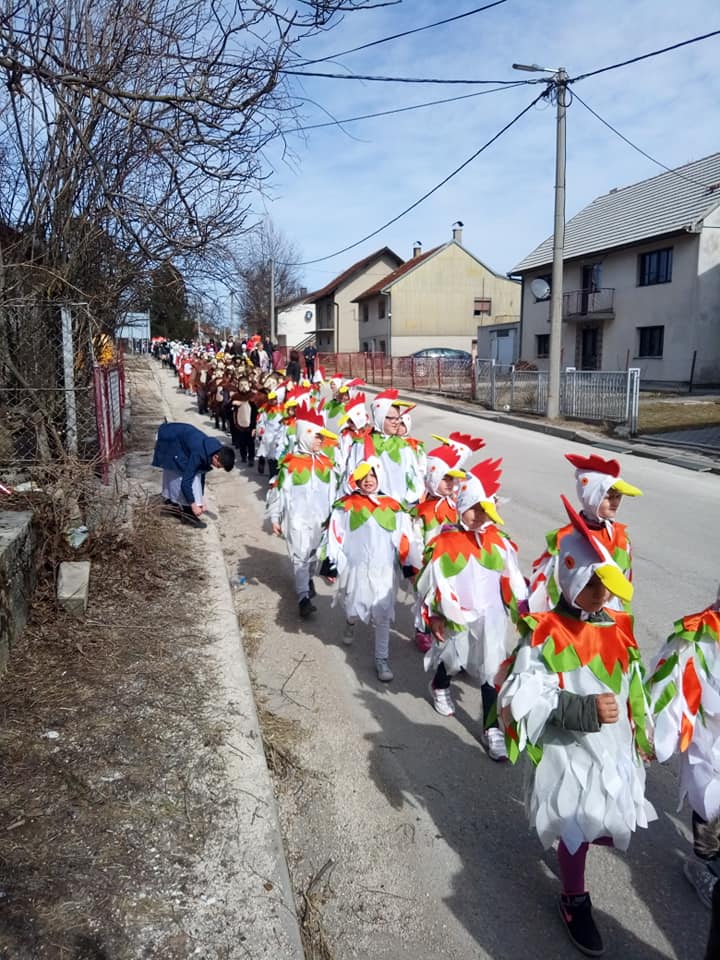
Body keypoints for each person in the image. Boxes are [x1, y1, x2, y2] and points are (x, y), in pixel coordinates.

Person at [497, 497, 655, 957]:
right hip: (569, 749)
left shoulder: (617, 627)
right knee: (573, 820)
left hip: (611, 746)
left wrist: (639, 731)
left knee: (608, 815)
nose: (603, 595)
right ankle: (574, 897)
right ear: (571, 581)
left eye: (607, 586)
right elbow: (522, 695)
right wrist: (581, 709)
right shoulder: (546, 633)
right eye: (593, 586)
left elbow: (634, 685)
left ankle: (577, 858)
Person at [416, 459, 527, 759]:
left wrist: (524, 611)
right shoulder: (446, 541)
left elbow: (513, 581)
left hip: (491, 616)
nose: (479, 516)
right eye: (473, 508)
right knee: (454, 659)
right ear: (460, 504)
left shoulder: (500, 543)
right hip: (458, 615)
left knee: (492, 668)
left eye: (485, 509)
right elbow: (431, 583)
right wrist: (435, 616)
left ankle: (491, 728)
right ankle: (439, 685)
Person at [647, 586, 720, 909]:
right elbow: (666, 686)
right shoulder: (697, 637)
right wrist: (650, 735)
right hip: (707, 743)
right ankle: (706, 866)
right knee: (708, 799)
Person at [323, 453, 418, 683]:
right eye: (363, 476)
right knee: (354, 606)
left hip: (384, 571)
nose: (368, 480)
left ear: (380, 477)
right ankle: (350, 622)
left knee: (383, 615)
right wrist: (331, 564)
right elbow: (336, 535)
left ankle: (381, 659)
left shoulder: (394, 508)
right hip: (356, 570)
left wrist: (409, 566)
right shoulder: (346, 506)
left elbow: (404, 538)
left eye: (373, 475)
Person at [529, 453, 642, 615]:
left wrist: (624, 615)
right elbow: (547, 580)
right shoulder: (565, 538)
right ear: (591, 497)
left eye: (618, 497)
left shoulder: (622, 538)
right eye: (609, 497)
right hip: (574, 618)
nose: (615, 502)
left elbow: (626, 578)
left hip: (610, 615)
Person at [266, 403, 338, 618]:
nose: (320, 440)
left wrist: (334, 519)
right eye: (316, 436)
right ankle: (303, 598)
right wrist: (275, 517)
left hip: (320, 521)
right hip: (297, 519)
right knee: (300, 556)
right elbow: (278, 492)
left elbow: (334, 493)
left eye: (321, 437)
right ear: (304, 435)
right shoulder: (290, 465)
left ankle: (306, 579)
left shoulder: (328, 464)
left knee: (313, 557)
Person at [151, 422, 235, 525]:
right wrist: (193, 504)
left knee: (193, 476)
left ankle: (173, 505)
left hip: (180, 437)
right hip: (170, 439)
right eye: (218, 466)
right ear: (216, 457)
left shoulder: (214, 449)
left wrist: (201, 499)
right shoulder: (199, 452)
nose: (217, 468)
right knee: (178, 474)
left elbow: (203, 473)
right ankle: (184, 511)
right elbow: (186, 482)